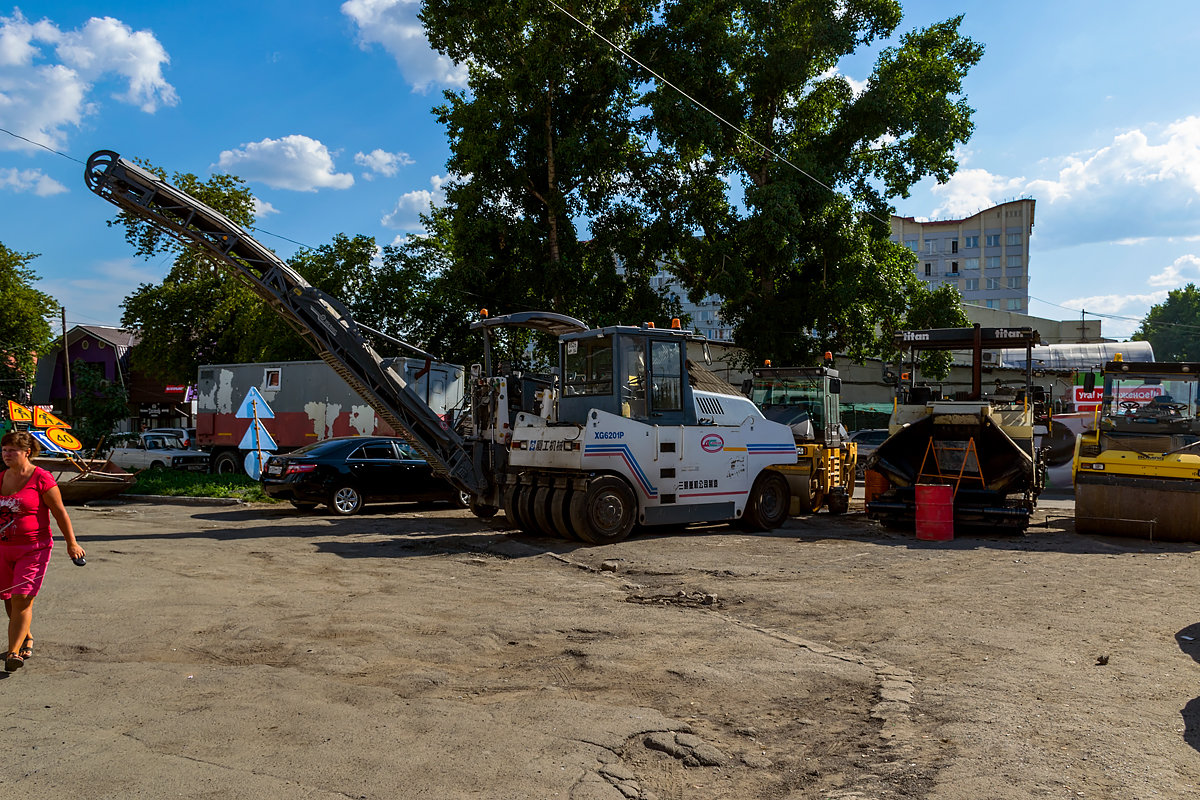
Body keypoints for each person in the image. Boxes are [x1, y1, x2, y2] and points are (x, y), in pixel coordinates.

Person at [0, 430, 84, 672]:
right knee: (8, 597)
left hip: (33, 549)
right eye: (4, 450)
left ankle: (13, 652)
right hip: (3, 549)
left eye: (12, 450)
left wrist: (72, 543)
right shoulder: (1, 478)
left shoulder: (41, 478)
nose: (6, 454)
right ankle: (25, 636)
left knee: (22, 598)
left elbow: (60, 513)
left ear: (27, 452)